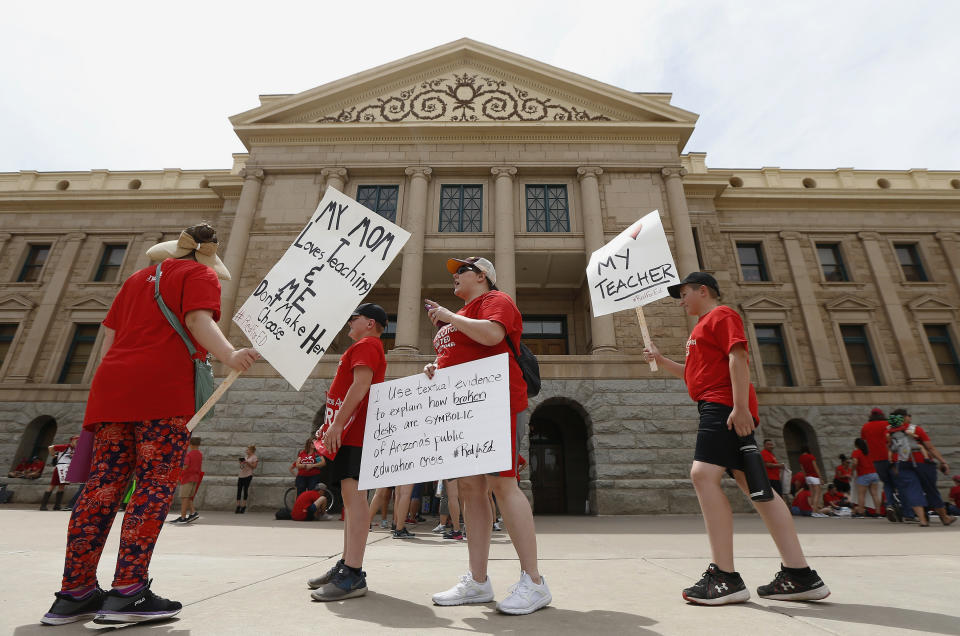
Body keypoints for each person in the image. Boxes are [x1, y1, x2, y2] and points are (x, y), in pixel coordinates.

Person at [40, 223, 258, 626]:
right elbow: (197, 321)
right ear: (206, 256)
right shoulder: (200, 274)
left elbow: (109, 340)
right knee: (153, 487)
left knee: (102, 488)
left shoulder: (136, 279)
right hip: (163, 390)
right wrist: (230, 355)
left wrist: (113, 382)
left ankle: (74, 592)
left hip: (112, 389)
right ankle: (128, 592)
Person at [644, 272, 829, 605]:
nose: (680, 300)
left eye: (683, 293)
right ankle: (800, 575)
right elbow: (692, 373)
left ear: (704, 290)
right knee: (758, 489)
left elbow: (738, 356)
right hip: (716, 404)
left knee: (702, 475)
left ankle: (724, 577)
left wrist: (740, 407)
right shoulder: (699, 329)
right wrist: (660, 360)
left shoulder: (721, 314)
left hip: (723, 406)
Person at [426, 256, 551, 615]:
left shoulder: (496, 301)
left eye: (460, 271)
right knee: (469, 488)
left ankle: (534, 582)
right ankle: (478, 581)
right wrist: (436, 368)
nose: (454, 275)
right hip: (461, 408)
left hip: (494, 401)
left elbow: (493, 335)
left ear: (482, 277)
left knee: (502, 484)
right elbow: (457, 354)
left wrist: (449, 316)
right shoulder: (463, 313)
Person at [306, 303, 387, 602]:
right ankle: (346, 564)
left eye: (355, 318)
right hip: (350, 433)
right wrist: (331, 425)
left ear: (370, 323)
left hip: (357, 434)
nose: (349, 322)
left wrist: (337, 425)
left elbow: (361, 385)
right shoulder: (365, 345)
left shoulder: (367, 345)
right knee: (349, 500)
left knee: (355, 500)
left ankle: (353, 572)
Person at [891, 409, 955, 527]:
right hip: (921, 462)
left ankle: (922, 520)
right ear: (905, 417)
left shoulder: (891, 431)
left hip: (903, 463)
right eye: (909, 416)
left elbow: (891, 449)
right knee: (931, 489)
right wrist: (943, 461)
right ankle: (945, 518)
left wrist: (893, 465)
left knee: (912, 490)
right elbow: (930, 448)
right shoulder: (915, 429)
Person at [861, 408, 901, 519]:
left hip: (877, 460)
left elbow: (864, 439)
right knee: (899, 482)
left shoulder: (865, 427)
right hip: (891, 457)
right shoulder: (887, 423)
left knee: (887, 483)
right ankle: (905, 508)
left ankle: (890, 505)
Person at [39, 436, 78, 511]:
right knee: (52, 485)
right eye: (76, 441)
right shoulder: (65, 447)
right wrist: (54, 455)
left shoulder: (76, 449)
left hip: (67, 468)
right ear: (72, 441)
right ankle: (43, 505)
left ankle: (57, 505)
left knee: (62, 486)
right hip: (60, 467)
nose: (77, 442)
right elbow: (51, 447)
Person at [171, 437, 203, 524]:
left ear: (190, 444)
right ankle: (193, 512)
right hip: (195, 478)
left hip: (187, 478)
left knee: (184, 497)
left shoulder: (189, 454)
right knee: (188, 497)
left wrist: (177, 473)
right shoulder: (200, 454)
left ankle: (183, 517)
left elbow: (185, 466)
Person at [851, 438, 881, 517]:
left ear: (856, 445)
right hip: (874, 474)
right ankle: (878, 512)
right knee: (875, 494)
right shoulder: (869, 452)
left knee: (861, 495)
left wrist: (852, 470)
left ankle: (861, 512)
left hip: (863, 475)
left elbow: (855, 462)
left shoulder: (856, 452)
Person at [236, 445, 258, 514]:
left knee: (245, 490)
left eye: (248, 449)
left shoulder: (254, 457)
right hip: (241, 475)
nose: (246, 450)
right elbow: (242, 467)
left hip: (248, 475)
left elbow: (254, 467)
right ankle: (238, 506)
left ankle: (243, 506)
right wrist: (241, 463)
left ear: (251, 450)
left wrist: (247, 462)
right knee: (239, 490)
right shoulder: (245, 457)